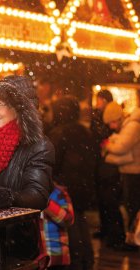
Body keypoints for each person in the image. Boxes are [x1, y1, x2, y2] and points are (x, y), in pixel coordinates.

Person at [0, 80, 55, 260]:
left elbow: (38, 195)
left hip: (15, 242)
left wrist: (12, 197)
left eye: (0, 104)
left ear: (20, 109)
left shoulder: (38, 146)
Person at [47, 95, 96, 270]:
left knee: (71, 224)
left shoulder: (58, 133)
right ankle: (86, 259)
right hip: (84, 184)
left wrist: (55, 180)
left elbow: (53, 161)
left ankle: (76, 259)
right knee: (80, 219)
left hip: (65, 185)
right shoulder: (85, 131)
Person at [102, 100, 140, 251]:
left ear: (118, 118)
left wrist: (107, 146)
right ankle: (132, 237)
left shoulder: (132, 126)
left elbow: (121, 147)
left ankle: (133, 239)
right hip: (130, 171)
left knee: (133, 206)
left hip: (134, 173)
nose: (111, 127)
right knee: (131, 205)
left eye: (111, 122)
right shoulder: (128, 126)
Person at [90, 91, 126, 249]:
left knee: (110, 202)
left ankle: (116, 236)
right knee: (106, 201)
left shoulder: (106, 119)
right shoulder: (103, 118)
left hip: (109, 167)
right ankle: (111, 234)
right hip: (106, 166)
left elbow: (118, 147)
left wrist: (106, 146)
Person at [42, 183, 74, 270]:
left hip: (56, 256)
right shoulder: (25, 191)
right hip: (35, 258)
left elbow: (68, 220)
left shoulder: (58, 192)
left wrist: (46, 202)